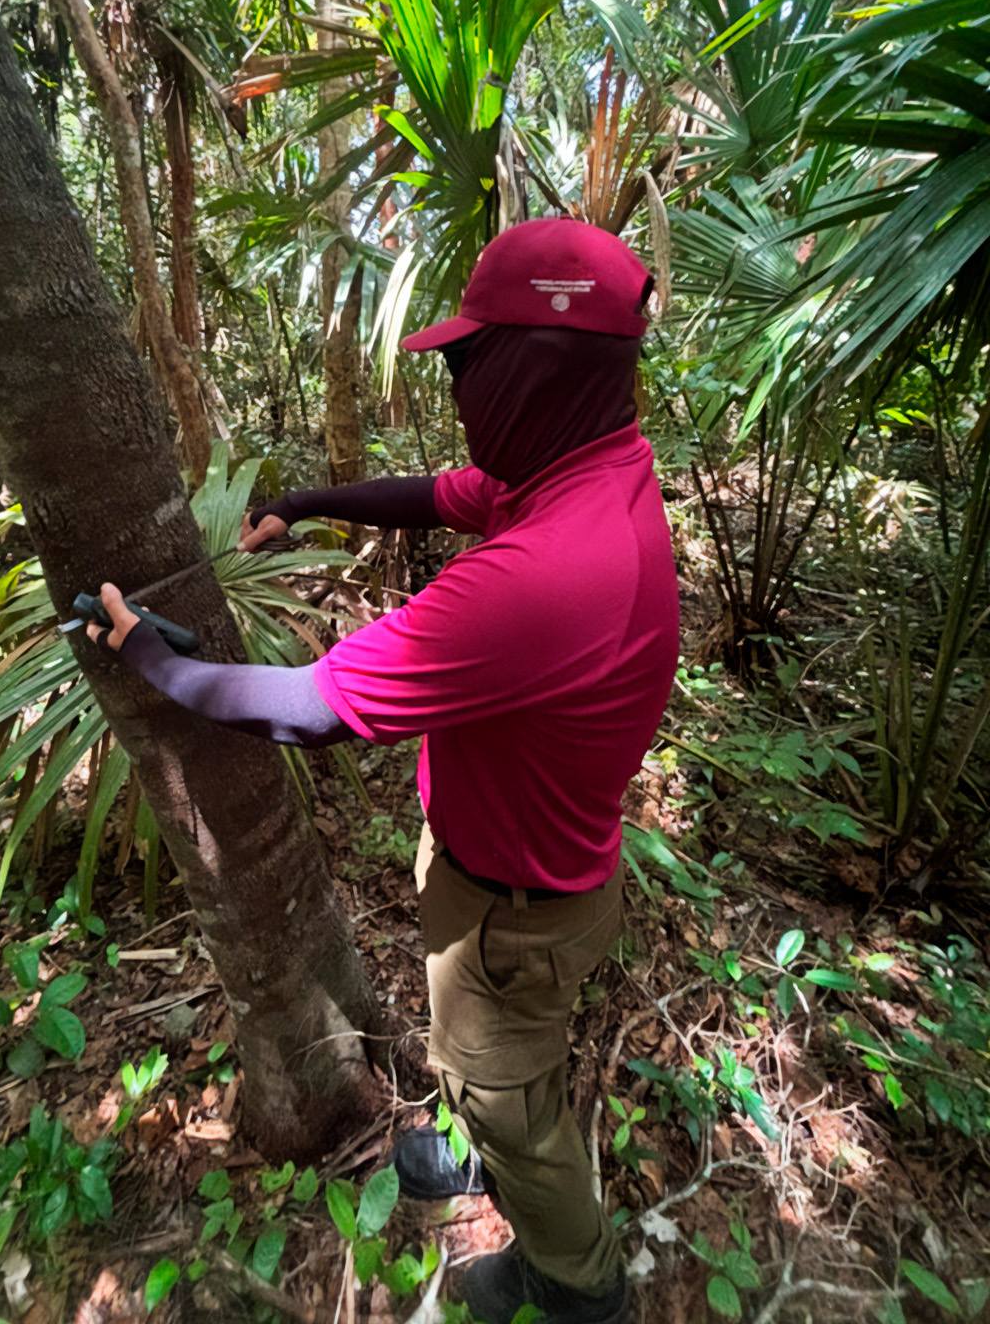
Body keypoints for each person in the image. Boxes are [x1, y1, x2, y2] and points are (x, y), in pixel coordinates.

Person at [88, 218, 679, 1324]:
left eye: (465, 359)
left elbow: (311, 707)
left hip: (518, 910)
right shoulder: (585, 470)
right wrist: (309, 504)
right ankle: (476, 1139)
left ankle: (574, 1280)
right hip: (512, 874)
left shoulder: (549, 575)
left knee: (512, 1093)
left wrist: (155, 660)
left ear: (534, 370)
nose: (453, 386)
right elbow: (442, 492)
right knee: (481, 1060)